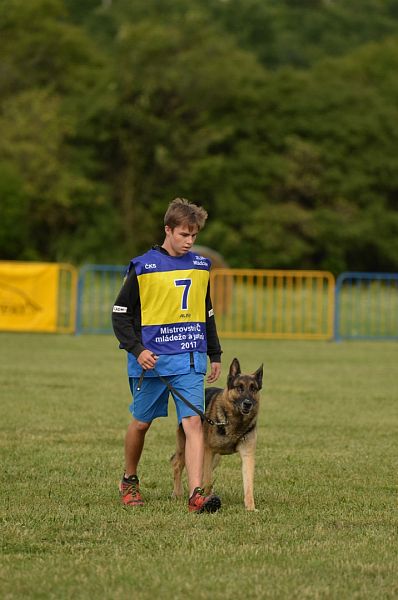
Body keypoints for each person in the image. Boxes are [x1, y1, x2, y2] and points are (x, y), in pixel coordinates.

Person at [112, 197, 222, 513]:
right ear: (168, 230)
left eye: (194, 236)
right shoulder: (143, 267)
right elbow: (120, 315)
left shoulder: (201, 266)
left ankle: (196, 494)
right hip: (151, 362)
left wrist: (214, 353)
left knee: (193, 424)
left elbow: (207, 311)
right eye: (184, 234)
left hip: (189, 358)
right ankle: (129, 480)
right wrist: (138, 349)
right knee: (141, 424)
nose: (189, 241)